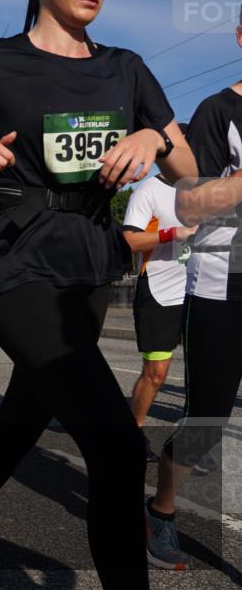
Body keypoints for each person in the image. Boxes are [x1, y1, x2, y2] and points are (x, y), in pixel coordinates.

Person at [0, 0, 198, 588]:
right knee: (119, 448)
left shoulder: (127, 68)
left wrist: (154, 134)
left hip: (91, 266)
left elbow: (188, 168)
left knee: (22, 419)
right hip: (17, 263)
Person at [145, 13, 242, 570]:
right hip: (222, 281)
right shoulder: (216, 112)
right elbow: (187, 205)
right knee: (207, 418)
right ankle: (162, 508)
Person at [122, 173, 195, 453]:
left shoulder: (208, 190)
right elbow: (130, 240)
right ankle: (132, 432)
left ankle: (191, 443)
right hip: (159, 291)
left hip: (197, 291)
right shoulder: (149, 189)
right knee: (156, 373)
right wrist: (172, 233)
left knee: (201, 374)